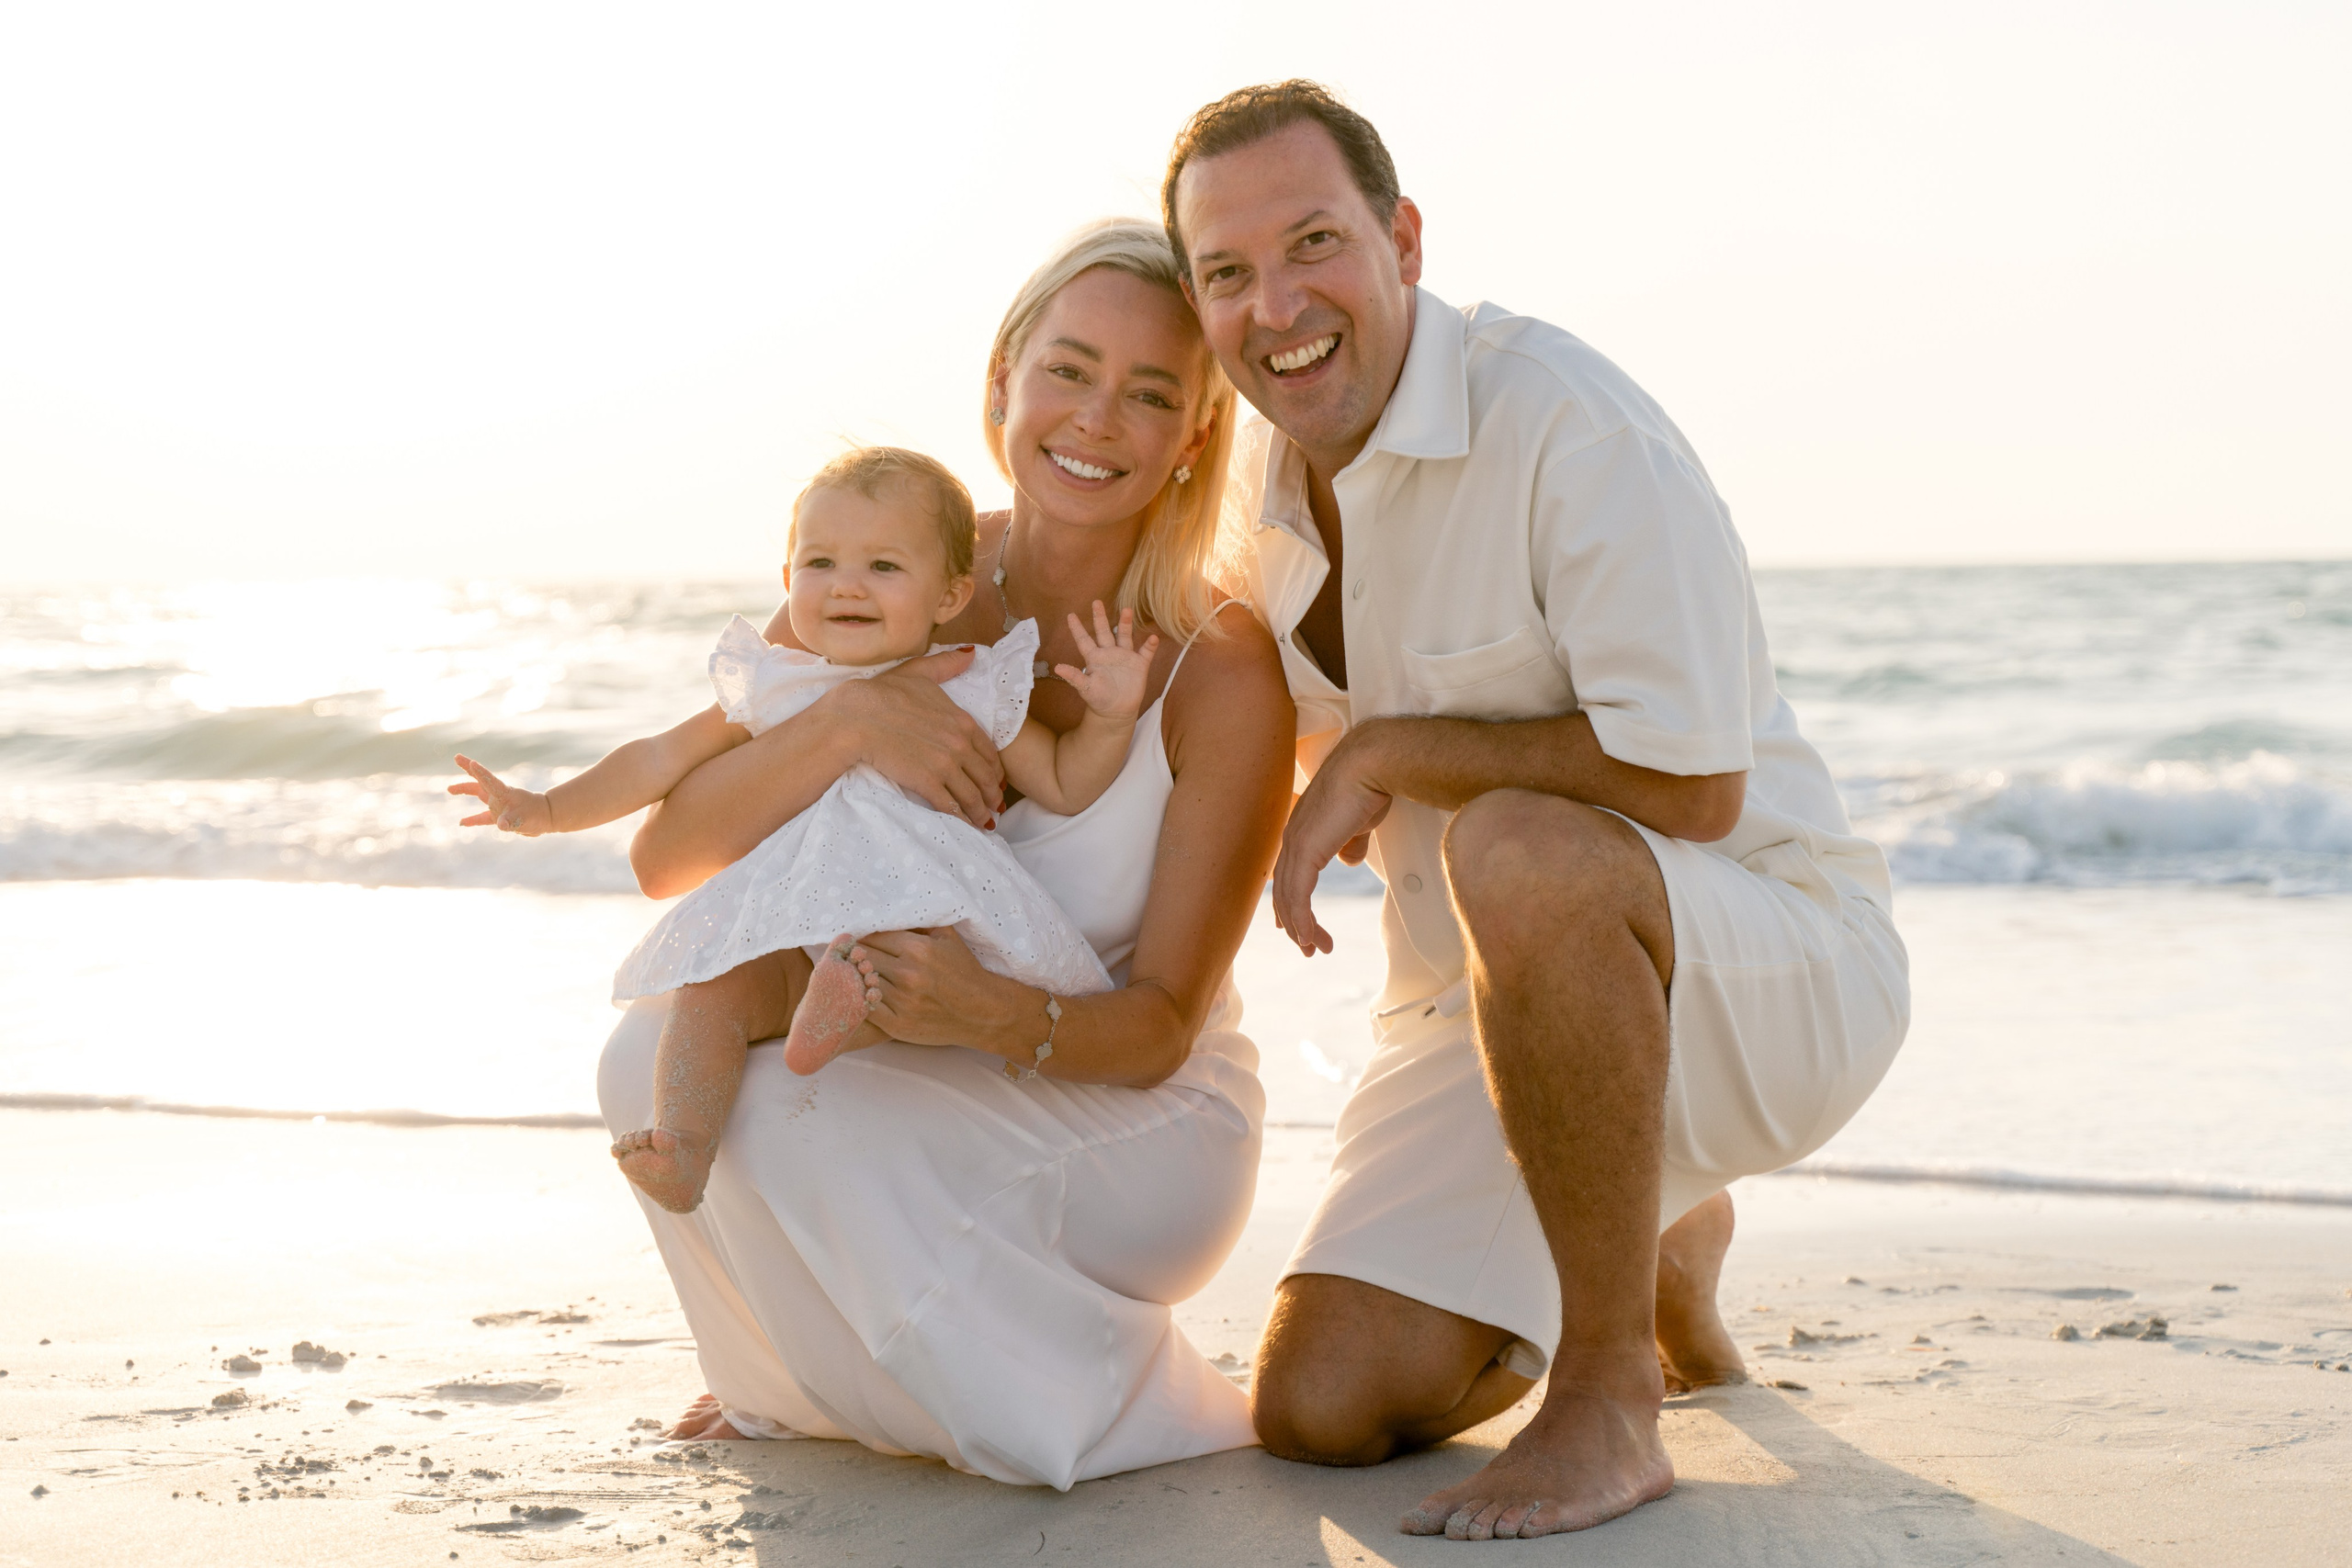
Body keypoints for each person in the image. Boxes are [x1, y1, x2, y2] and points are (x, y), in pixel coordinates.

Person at [1163, 82, 1911, 1539]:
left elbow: (1694, 786)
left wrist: (1393, 747)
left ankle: (1610, 1394)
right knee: (1319, 1407)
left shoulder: (1566, 423)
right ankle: (1663, 1237)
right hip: (1483, 1007)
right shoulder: (1248, 481)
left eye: (1315, 242)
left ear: (1404, 239)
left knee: (1519, 841)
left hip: (1770, 959)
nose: (1278, 303)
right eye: (1227, 272)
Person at [593, 219, 1297, 1487]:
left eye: (1151, 394)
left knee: (826, 1123)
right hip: (922, 1050)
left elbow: (1158, 1026)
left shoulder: (1219, 657)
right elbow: (669, 857)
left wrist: (973, 1006)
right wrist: (859, 716)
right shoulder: (895, 559)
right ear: (1001, 385)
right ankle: (803, 1383)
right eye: (1069, 371)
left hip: (1139, 1109)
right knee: (644, 1054)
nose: (1097, 418)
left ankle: (1083, 1404)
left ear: (1197, 435)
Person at [451, 446, 1161, 1214]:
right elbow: (659, 757)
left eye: (884, 566)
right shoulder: (775, 684)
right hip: (794, 936)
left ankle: (849, 1006)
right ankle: (684, 1145)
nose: (847, 584)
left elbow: (1064, 781)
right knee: (713, 986)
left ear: (951, 593)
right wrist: (548, 808)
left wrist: (1112, 717)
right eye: (820, 562)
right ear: (789, 583)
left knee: (912, 962)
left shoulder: (972, 680)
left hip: (917, 926)